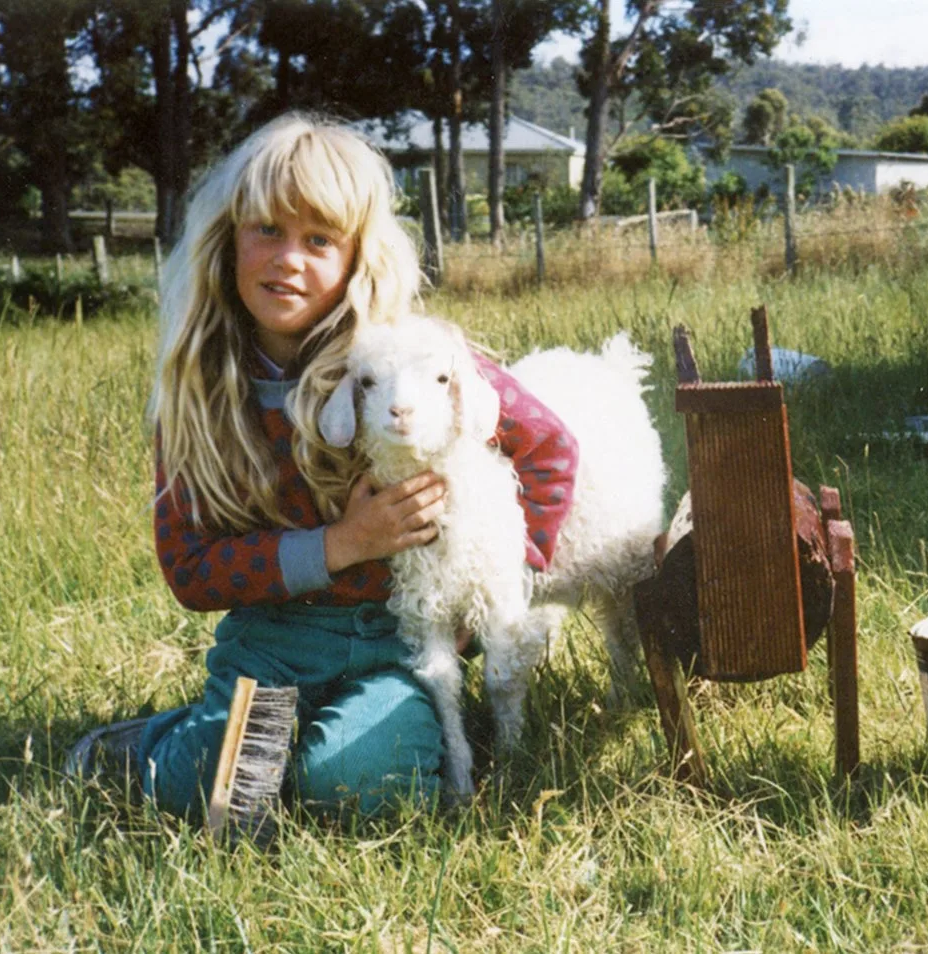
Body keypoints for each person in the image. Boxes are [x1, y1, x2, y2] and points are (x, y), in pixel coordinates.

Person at [69, 113, 578, 820]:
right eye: (267, 230)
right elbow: (189, 570)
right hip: (271, 644)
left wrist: (499, 583)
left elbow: (549, 445)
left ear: (356, 257)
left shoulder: (401, 360)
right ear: (228, 240)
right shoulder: (197, 396)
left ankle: (390, 735)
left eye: (319, 240)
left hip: (395, 642)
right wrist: (343, 544)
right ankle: (149, 744)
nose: (288, 259)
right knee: (219, 799)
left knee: (355, 787)